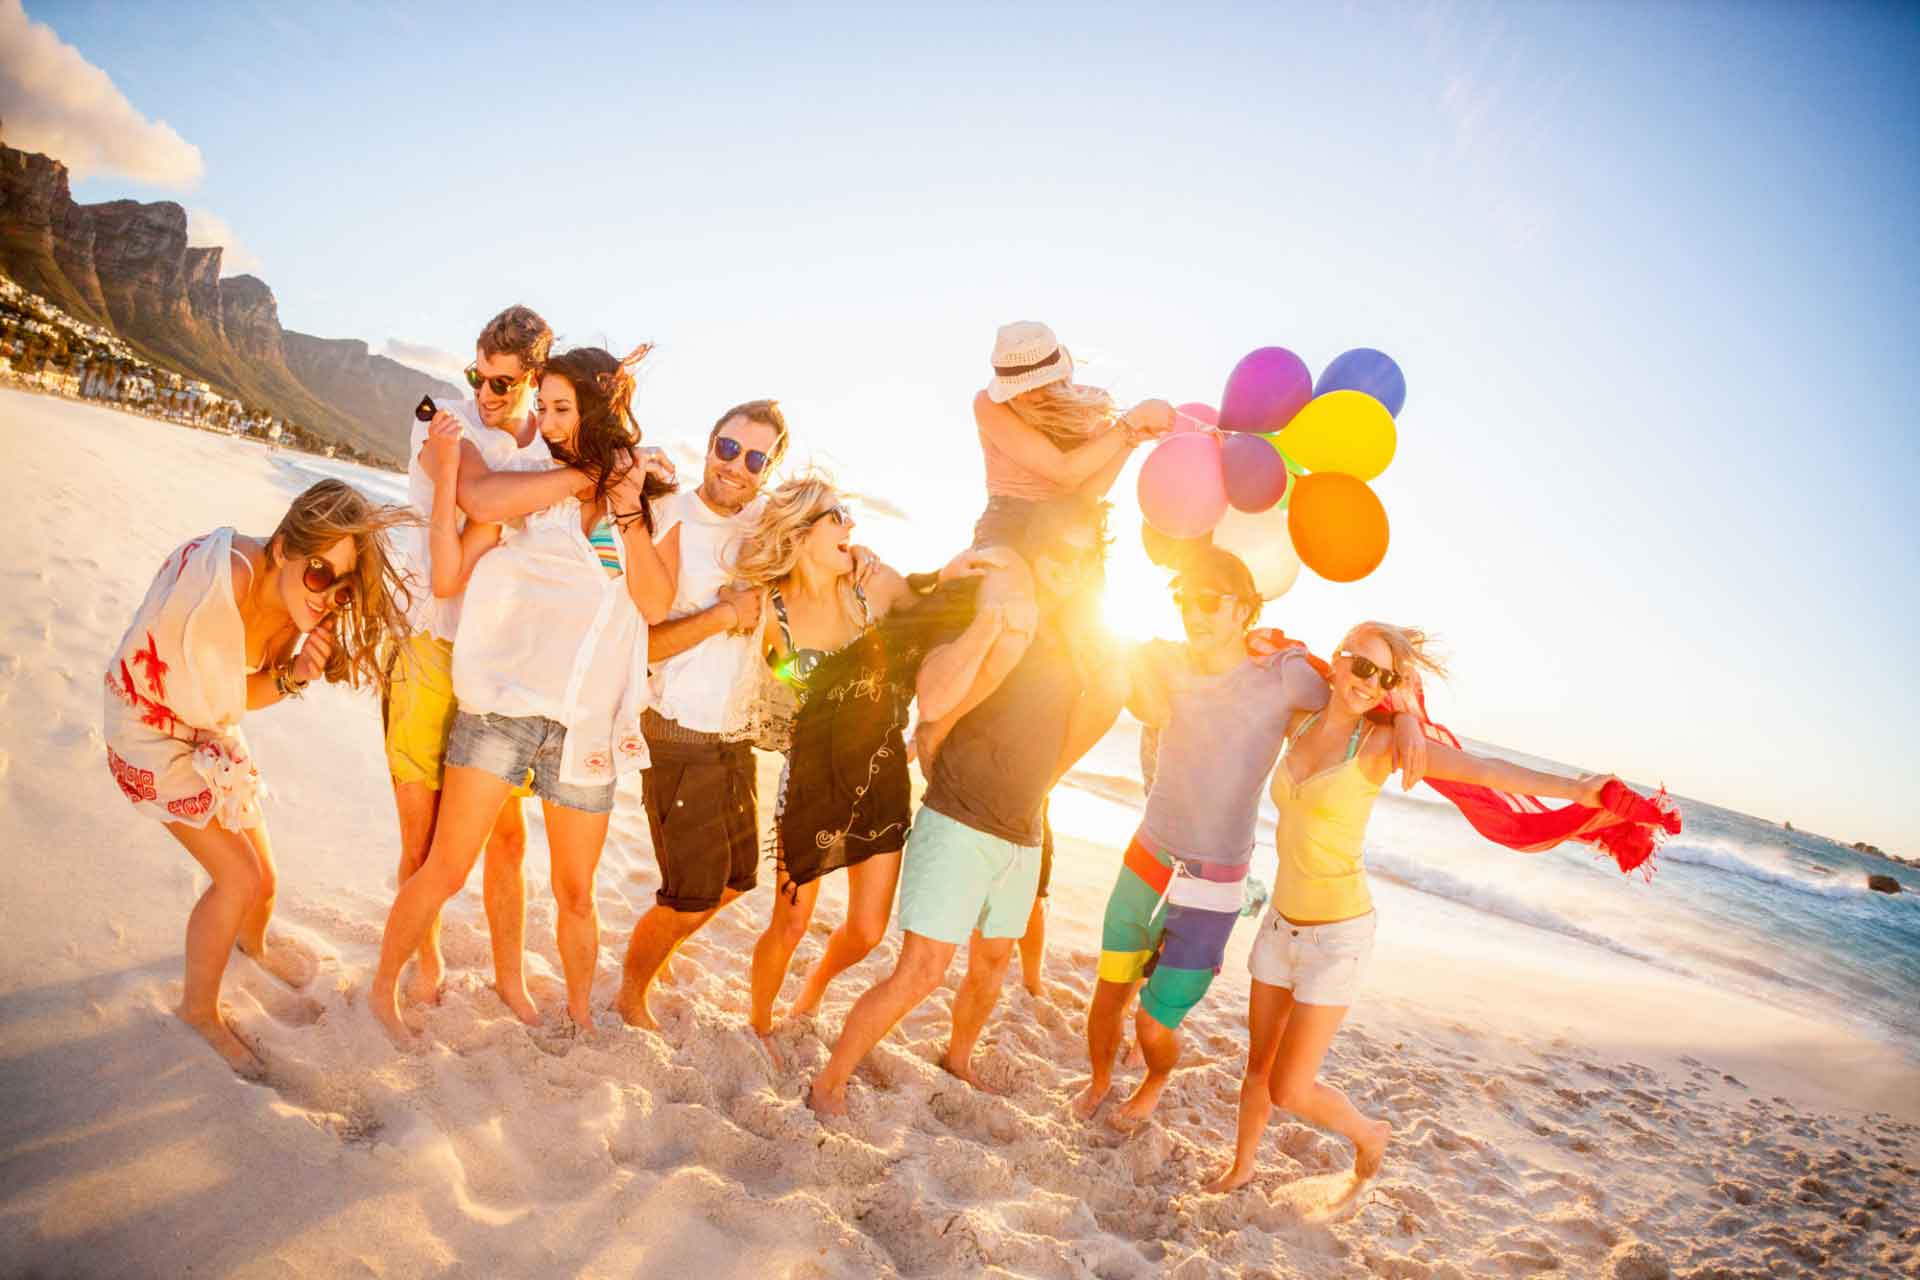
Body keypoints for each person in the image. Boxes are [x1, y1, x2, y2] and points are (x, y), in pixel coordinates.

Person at [1203, 622, 1615, 1193]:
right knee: (1257, 1068)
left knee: (1290, 1090)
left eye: (1387, 677)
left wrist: (1576, 791)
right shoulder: (1298, 723)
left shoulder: (1379, 747)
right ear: (1340, 660)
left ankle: (1370, 1134)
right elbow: (1260, 652)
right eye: (1363, 666)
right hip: (1280, 924)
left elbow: (1488, 772)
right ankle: (1242, 1166)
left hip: (1337, 938)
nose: (1370, 683)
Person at [369, 346, 676, 1042]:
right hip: (504, 708)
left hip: (587, 726)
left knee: (575, 893)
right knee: (446, 867)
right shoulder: (529, 479)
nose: (548, 420)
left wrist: (627, 510)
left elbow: (653, 604)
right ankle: (383, 989)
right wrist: (451, 474)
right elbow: (451, 573)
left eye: (562, 407)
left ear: (599, 405)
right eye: (544, 406)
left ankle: (577, 1016)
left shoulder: (643, 494)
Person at [1072, 548, 1426, 1127]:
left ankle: (1157, 1075)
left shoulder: (1283, 673)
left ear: (1246, 611)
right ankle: (1102, 1079)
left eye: (1212, 601)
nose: (1196, 612)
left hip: (1215, 880)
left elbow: (1357, 701)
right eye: (1186, 599)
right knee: (1109, 992)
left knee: (1153, 1024)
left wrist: (1407, 714)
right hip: (1148, 853)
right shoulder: (1165, 659)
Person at [809, 498, 1127, 1116]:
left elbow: (1102, 703)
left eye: (1084, 555)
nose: (1070, 564)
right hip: (958, 820)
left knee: (993, 961)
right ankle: (830, 1082)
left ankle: (957, 1056)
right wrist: (934, 734)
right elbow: (935, 687)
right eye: (1060, 550)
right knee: (921, 971)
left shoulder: (1082, 636)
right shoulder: (996, 604)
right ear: (1035, 551)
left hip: (1024, 832)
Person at [103, 480, 413, 1074]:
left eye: (342, 588)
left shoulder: (295, 597)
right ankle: (198, 1010)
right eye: (320, 573)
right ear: (283, 547)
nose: (327, 595)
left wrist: (299, 665)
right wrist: (293, 676)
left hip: (203, 719)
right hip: (148, 721)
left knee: (264, 880)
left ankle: (252, 946)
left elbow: (234, 697)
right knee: (238, 876)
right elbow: (226, 700)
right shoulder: (220, 588)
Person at [734, 476, 1003, 1062]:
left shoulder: (871, 585)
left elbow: (927, 609)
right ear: (802, 531)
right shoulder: (769, 609)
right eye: (838, 517)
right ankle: (758, 1024)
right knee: (790, 924)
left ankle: (811, 992)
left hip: (883, 777)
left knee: (866, 931)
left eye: (849, 517)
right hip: (809, 782)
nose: (851, 527)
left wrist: (951, 577)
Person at [382, 304, 554, 1024]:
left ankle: (510, 978)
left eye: (504, 384)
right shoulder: (440, 418)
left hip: (502, 658)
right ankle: (427, 960)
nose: (485, 394)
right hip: (429, 641)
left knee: (507, 838)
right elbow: (479, 494)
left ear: (534, 377)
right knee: (421, 840)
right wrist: (562, 480)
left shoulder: (551, 437)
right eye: (478, 376)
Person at [615, 400, 789, 1031]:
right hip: (676, 731)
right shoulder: (666, 518)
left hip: (734, 735)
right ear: (709, 444)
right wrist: (721, 616)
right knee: (687, 894)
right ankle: (630, 992)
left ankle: (650, 965)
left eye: (753, 458)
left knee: (736, 881)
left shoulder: (767, 526)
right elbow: (641, 644)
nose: (734, 467)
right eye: (726, 448)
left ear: (767, 469)